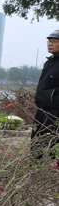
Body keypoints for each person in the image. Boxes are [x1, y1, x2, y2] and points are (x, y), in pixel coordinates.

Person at [31, 29, 59, 159]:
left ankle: (51, 172)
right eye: (49, 41)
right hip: (41, 111)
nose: (50, 44)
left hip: (55, 113)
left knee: (52, 144)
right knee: (36, 143)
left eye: (54, 41)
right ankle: (35, 170)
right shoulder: (49, 62)